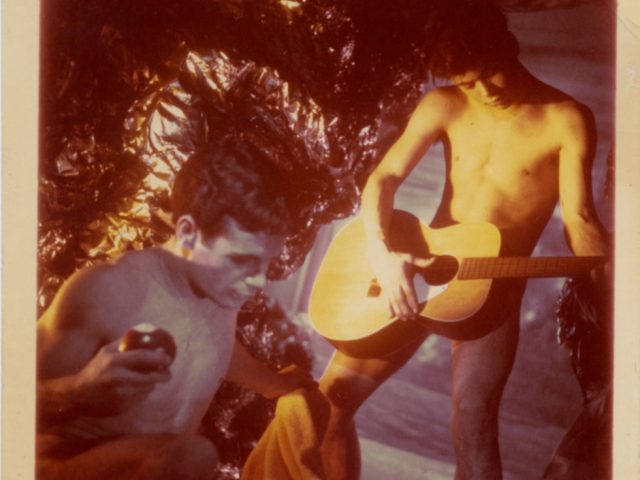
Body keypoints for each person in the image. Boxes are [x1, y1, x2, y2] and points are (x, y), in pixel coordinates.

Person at [317, 2, 610, 479]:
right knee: (328, 403)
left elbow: (579, 219)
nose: (483, 92)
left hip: (493, 292)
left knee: (473, 425)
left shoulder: (567, 119)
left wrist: (609, 279)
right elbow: (384, 178)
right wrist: (383, 255)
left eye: (488, 74)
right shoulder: (445, 103)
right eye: (467, 82)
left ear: (506, 46)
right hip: (416, 271)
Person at [36, 138, 316, 480]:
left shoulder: (218, 288)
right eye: (242, 260)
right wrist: (78, 390)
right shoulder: (109, 290)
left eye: (266, 262)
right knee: (194, 456)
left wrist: (273, 383)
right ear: (187, 233)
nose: (259, 281)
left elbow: (215, 349)